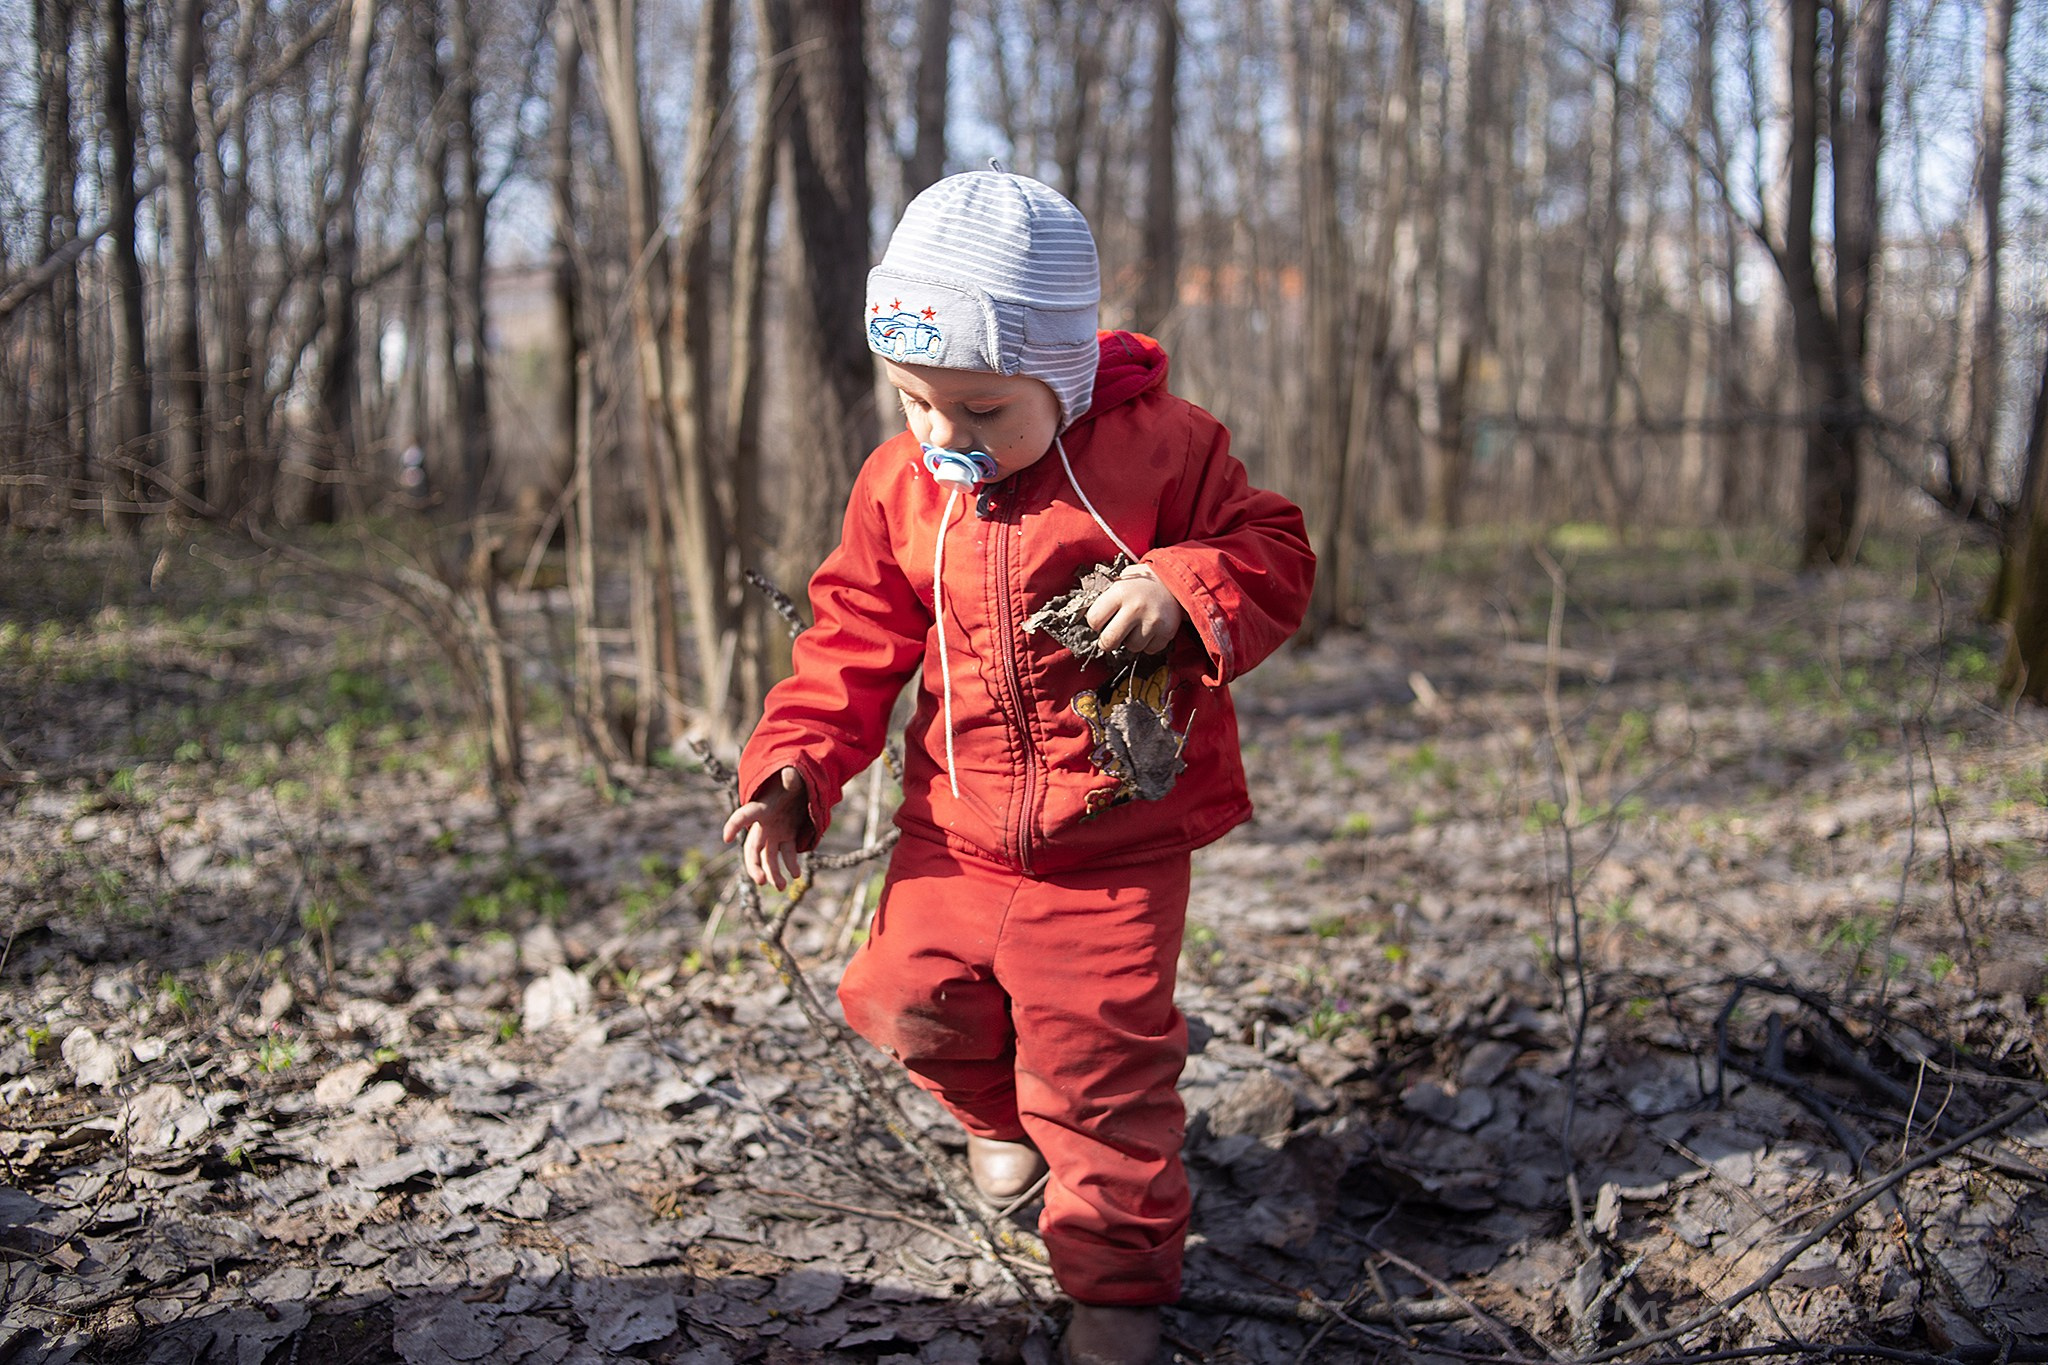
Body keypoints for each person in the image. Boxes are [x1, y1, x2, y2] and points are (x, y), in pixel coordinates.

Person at [723, 168, 1314, 1365]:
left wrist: (1182, 585)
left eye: (983, 412)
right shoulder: (901, 485)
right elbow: (851, 636)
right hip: (956, 824)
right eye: (914, 403)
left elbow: (1274, 550)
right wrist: (793, 768)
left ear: (1063, 374)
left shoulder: (1164, 451)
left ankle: (1117, 1290)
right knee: (902, 1001)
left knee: (1100, 1070)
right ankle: (1004, 1112)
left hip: (1112, 841)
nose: (943, 439)